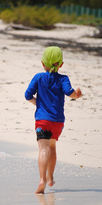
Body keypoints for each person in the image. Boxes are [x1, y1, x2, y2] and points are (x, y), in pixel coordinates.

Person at [25, 46, 82, 194]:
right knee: (52, 147)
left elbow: (27, 95)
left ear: (43, 63)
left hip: (42, 121)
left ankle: (42, 180)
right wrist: (78, 94)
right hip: (57, 121)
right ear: (61, 64)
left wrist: (36, 102)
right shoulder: (63, 78)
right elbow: (70, 93)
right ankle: (50, 177)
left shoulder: (38, 77)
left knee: (43, 149)